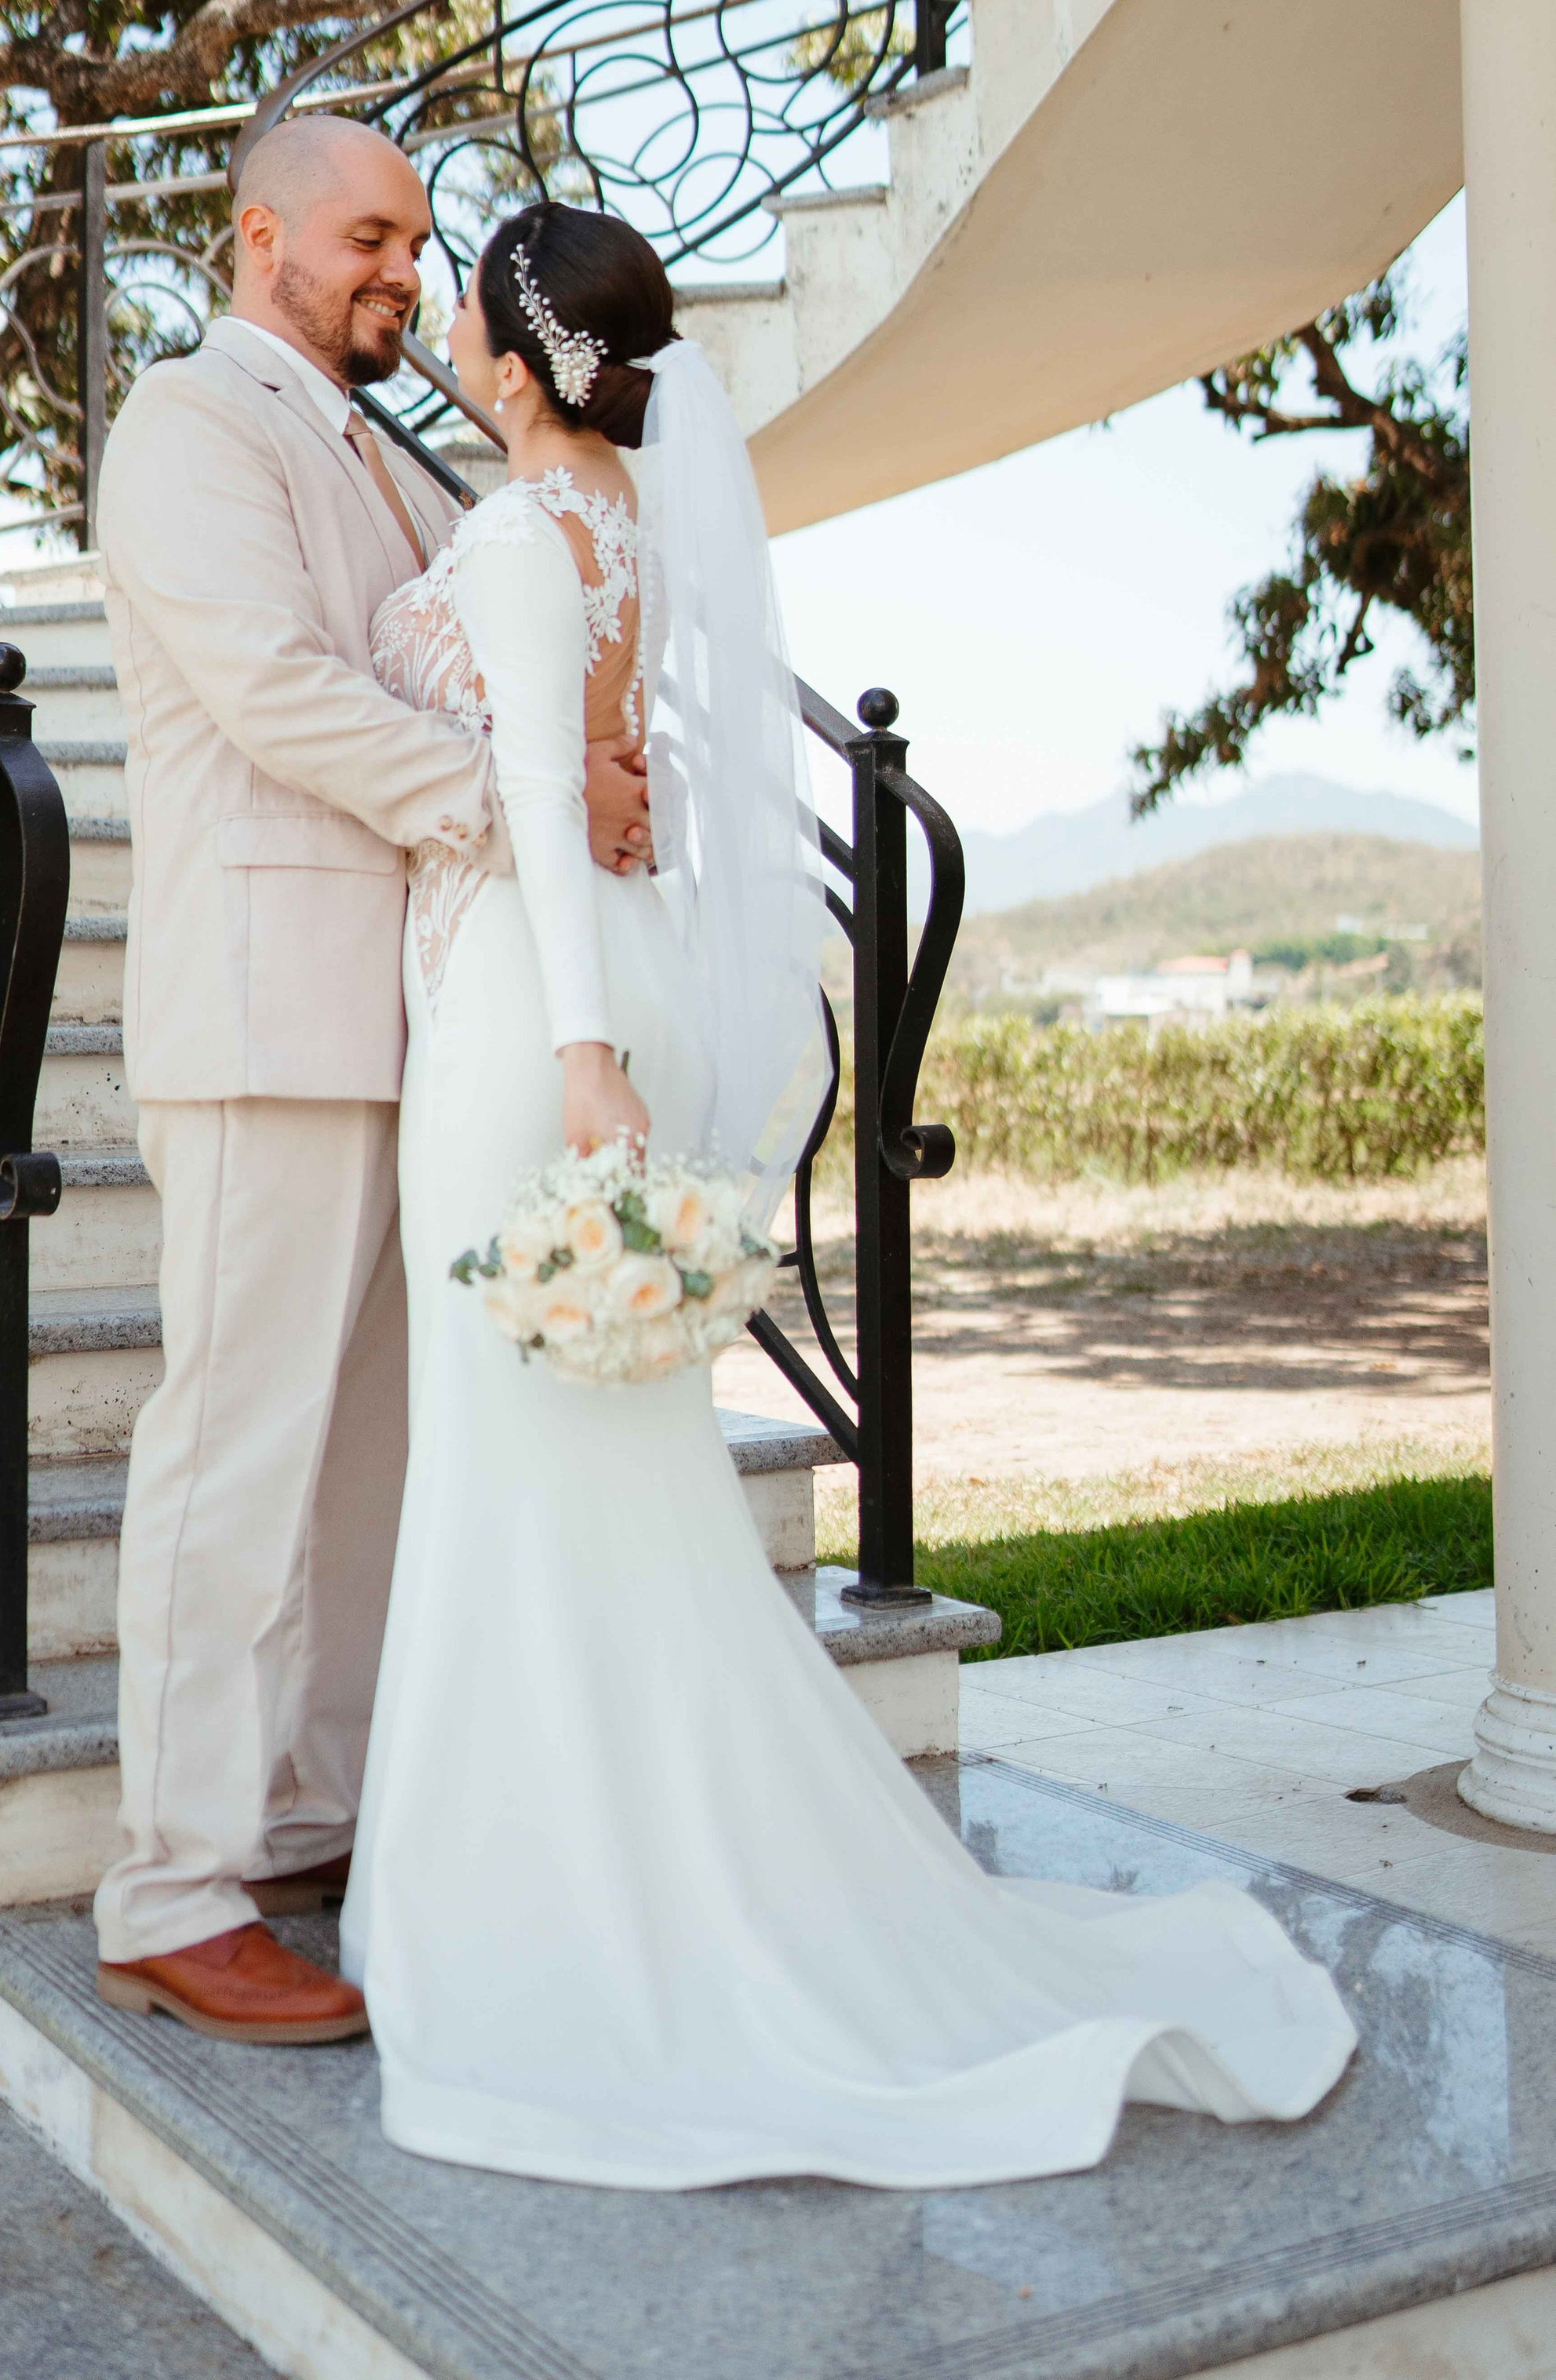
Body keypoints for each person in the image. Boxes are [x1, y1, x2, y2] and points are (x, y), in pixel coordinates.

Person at [343, 195, 1358, 2187]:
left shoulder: (519, 533)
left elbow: (542, 803)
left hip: (527, 1018)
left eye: (465, 301)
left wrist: (576, 1063)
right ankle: (558, 1872)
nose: (445, 323)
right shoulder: (616, 526)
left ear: (517, 344)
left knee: (521, 1468)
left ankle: (544, 1923)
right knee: (579, 1477)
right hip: (570, 980)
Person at [89, 120, 650, 2048]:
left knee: (358, 1461)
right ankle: (167, 1884)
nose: (404, 271)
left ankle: (306, 1818)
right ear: (261, 239)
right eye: (369, 236)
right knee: (234, 1445)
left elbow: (462, 672)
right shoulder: (187, 424)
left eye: (416, 241)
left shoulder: (384, 456)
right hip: (261, 1007)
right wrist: (522, 810)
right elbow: (279, 690)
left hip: (408, 1024)